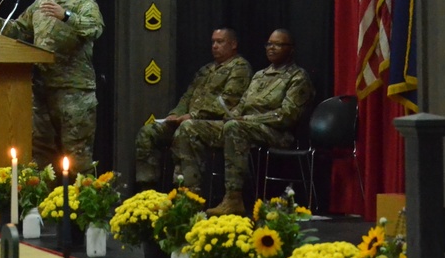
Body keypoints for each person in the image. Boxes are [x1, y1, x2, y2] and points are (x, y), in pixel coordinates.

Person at [0, 0, 104, 174]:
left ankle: (80, 206)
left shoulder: (85, 2)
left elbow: (95, 29)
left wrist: (66, 15)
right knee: (41, 154)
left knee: (76, 154)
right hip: (41, 90)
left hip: (74, 92)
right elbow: (21, 30)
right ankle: (45, 204)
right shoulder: (41, 2)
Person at [172, 28, 315, 216]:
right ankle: (190, 196)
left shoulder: (298, 77)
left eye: (278, 45)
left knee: (234, 127)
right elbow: (242, 105)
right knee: (189, 127)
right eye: (269, 44)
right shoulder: (259, 75)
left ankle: (233, 198)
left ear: (291, 49)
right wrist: (231, 115)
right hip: (243, 127)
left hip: (276, 133)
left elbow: (287, 116)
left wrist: (244, 119)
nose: (271, 48)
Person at [134, 28, 252, 191]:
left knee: (186, 129)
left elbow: (228, 101)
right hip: (188, 120)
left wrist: (193, 115)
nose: (215, 46)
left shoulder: (240, 68)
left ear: (233, 44)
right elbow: (187, 97)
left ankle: (187, 192)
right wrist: (176, 114)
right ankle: (146, 190)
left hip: (216, 125)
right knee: (148, 132)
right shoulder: (206, 70)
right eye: (213, 42)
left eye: (220, 41)